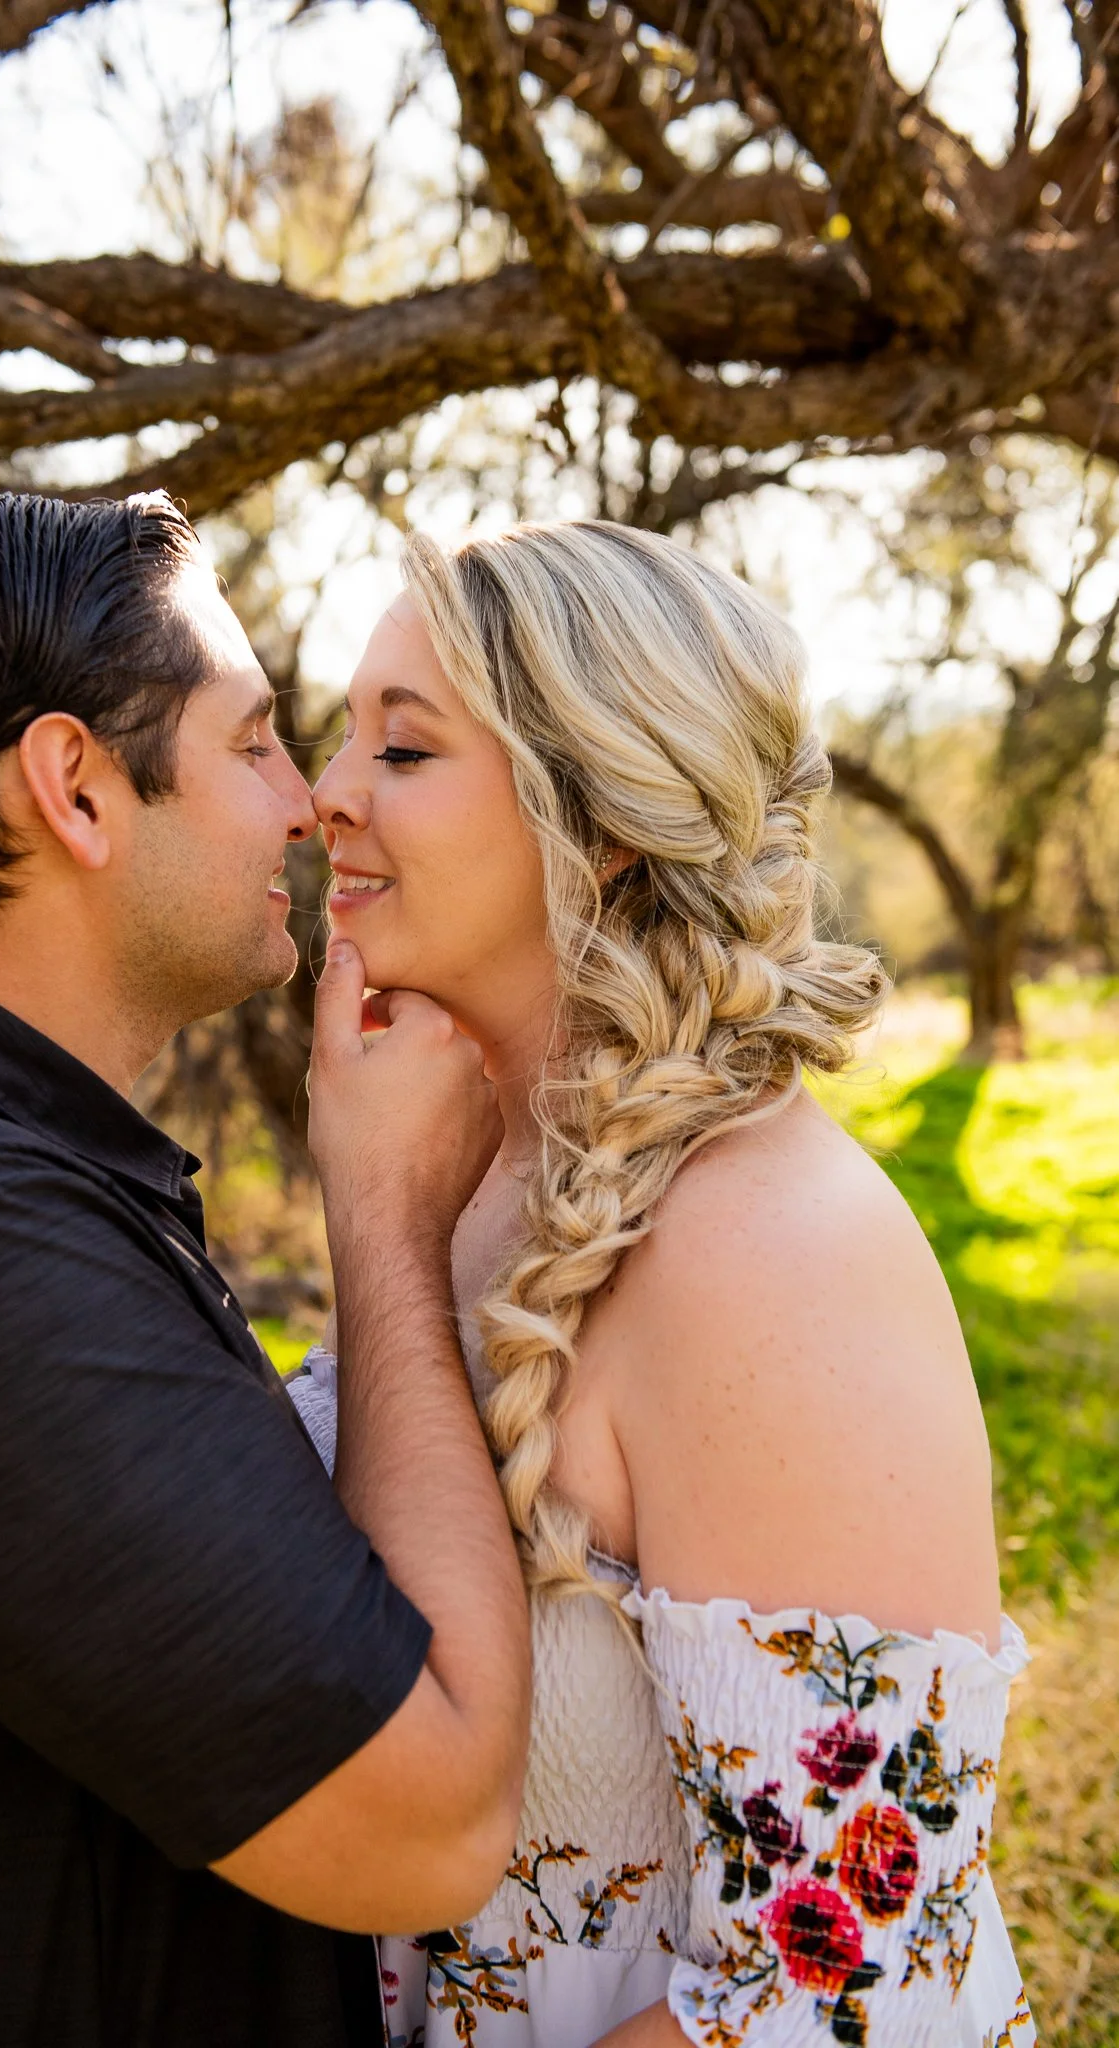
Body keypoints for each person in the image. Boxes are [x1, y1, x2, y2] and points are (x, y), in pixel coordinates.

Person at [0, 490, 531, 2048]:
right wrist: (378, 1215)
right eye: (250, 745)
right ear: (77, 791)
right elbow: (431, 1821)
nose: (307, 803)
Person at [300, 518, 1035, 2047]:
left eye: (406, 749)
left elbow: (843, 1994)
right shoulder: (458, 1171)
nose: (326, 797)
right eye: (337, 736)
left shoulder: (772, 1256)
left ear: (607, 813)